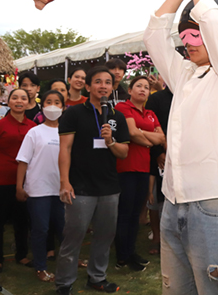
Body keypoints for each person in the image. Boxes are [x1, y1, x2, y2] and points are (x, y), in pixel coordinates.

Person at [143, 0, 218, 294]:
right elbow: (153, 35)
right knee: (175, 290)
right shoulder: (185, 75)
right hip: (173, 199)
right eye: (185, 36)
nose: (189, 44)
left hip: (212, 204)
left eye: (196, 35)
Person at [55, 66, 131, 295]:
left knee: (105, 235)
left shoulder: (117, 116)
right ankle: (64, 283)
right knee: (73, 236)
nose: (103, 86)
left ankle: (97, 277)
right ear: (88, 87)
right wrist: (64, 182)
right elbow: (65, 149)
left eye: (107, 82)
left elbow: (124, 152)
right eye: (98, 82)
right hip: (80, 187)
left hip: (109, 187)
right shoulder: (74, 113)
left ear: (112, 86)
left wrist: (110, 141)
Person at [114, 76, 165, 272]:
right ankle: (122, 256)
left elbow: (161, 138)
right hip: (126, 167)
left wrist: (143, 135)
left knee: (136, 214)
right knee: (125, 213)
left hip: (144, 167)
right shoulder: (123, 108)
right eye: (139, 86)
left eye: (146, 87)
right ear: (130, 90)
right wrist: (145, 136)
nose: (143, 89)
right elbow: (132, 134)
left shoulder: (151, 112)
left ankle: (131, 252)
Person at [16, 90, 65, 282]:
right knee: (40, 229)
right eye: (49, 102)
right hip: (38, 189)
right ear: (42, 106)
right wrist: (19, 187)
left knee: (65, 228)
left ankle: (69, 259)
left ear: (63, 106)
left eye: (57, 102)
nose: (53, 106)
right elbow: (23, 161)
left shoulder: (67, 132)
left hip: (61, 188)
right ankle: (40, 267)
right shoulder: (34, 132)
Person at [0, 88, 36, 272]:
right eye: (15, 97)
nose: (19, 101)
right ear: (8, 102)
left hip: (26, 178)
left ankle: (22, 255)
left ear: (28, 102)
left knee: (22, 219)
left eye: (23, 98)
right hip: (1, 178)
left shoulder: (33, 127)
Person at [144, 73, 172, 256]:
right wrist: (157, 153)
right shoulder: (155, 99)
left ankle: (173, 238)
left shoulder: (187, 96)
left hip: (183, 155)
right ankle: (156, 235)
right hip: (159, 154)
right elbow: (149, 126)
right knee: (155, 200)